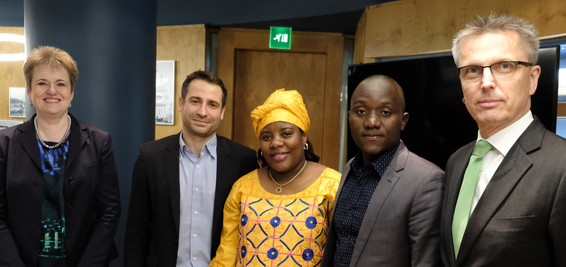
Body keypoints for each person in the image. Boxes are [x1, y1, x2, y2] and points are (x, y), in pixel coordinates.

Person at [440, 13, 566, 267]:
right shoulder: (457, 161)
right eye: (472, 70)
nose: (486, 83)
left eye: (505, 66)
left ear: (533, 78)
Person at [0, 46, 121, 266]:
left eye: (61, 84)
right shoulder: (4, 144)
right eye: (42, 83)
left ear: (72, 92)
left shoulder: (99, 142)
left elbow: (109, 213)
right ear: (29, 90)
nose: (51, 91)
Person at [124, 70, 258, 266]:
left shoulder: (243, 161)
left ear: (222, 112)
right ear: (181, 103)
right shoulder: (150, 157)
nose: (203, 112)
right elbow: (136, 233)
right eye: (195, 101)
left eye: (212, 104)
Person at [321, 75, 445, 267]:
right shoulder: (349, 168)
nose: (371, 122)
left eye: (385, 112)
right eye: (361, 111)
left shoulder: (426, 181)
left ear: (403, 121)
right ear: (349, 117)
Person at [209, 88, 341, 266]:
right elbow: (227, 254)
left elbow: (343, 254)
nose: (276, 143)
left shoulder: (332, 186)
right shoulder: (243, 187)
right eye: (266, 136)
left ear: (303, 138)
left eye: (286, 133)